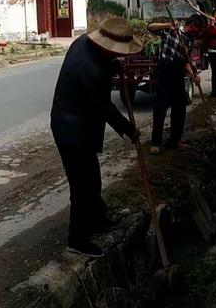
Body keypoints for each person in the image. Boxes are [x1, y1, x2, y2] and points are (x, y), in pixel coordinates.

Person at [50, 17, 143, 258]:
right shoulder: (91, 70)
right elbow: (105, 108)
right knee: (82, 184)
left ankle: (98, 219)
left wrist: (113, 67)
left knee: (92, 176)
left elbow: (102, 65)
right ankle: (77, 239)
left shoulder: (83, 43)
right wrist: (129, 129)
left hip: (81, 123)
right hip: (70, 127)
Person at [148, 14, 205, 155]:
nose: (197, 33)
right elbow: (150, 27)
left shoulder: (190, 41)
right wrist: (167, 25)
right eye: (196, 29)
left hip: (178, 73)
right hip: (164, 71)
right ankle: (156, 143)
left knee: (180, 107)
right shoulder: (172, 30)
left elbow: (186, 62)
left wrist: (193, 76)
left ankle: (175, 140)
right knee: (160, 107)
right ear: (191, 26)